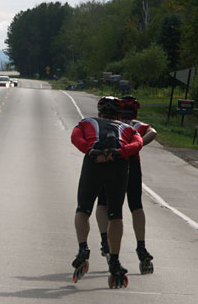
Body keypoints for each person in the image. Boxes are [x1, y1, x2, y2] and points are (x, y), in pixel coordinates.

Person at [70, 96, 143, 287]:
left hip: (93, 162)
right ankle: (115, 260)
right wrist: (121, 152)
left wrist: (90, 150)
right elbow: (138, 143)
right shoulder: (128, 128)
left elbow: (75, 137)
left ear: (99, 112)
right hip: (118, 166)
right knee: (115, 215)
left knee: (83, 209)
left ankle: (83, 249)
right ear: (119, 114)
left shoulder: (87, 122)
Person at [95, 94, 158, 274]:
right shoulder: (134, 125)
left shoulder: (111, 123)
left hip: (109, 162)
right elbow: (153, 132)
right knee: (135, 205)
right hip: (131, 163)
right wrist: (138, 146)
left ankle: (105, 240)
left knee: (103, 203)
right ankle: (141, 246)